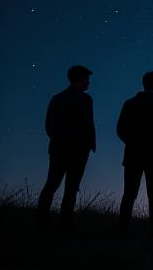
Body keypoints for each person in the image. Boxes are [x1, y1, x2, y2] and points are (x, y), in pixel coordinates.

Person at [37, 65, 95, 232]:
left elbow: (48, 125)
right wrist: (87, 145)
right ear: (80, 79)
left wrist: (58, 140)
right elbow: (87, 125)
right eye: (87, 79)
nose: (88, 83)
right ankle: (65, 224)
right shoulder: (85, 99)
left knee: (52, 184)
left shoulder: (56, 98)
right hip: (77, 152)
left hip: (58, 148)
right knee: (71, 188)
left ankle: (41, 221)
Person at [117, 71, 153, 237]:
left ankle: (123, 229)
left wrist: (132, 143)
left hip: (133, 155)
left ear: (143, 83)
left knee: (129, 193)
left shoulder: (129, 103)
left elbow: (120, 129)